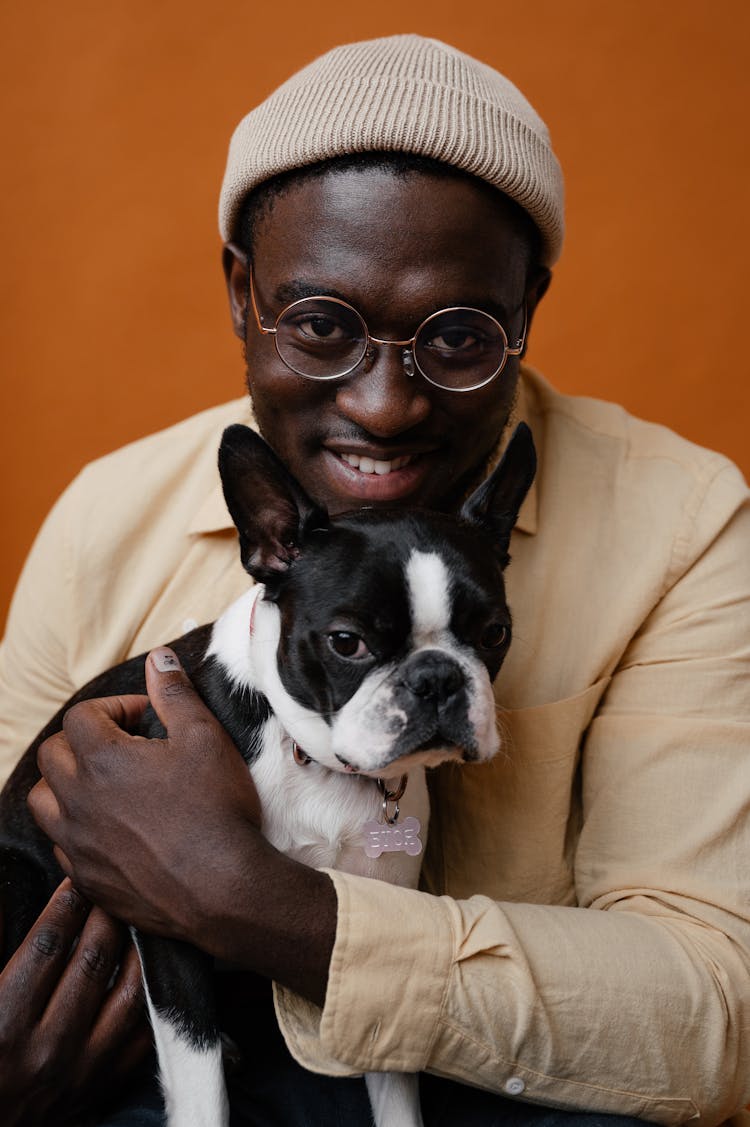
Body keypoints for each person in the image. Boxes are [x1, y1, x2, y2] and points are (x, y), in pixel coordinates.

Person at [0, 33, 748, 1127]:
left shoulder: (682, 527)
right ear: (241, 293)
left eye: (455, 337)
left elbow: (718, 1013)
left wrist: (256, 903)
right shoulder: (108, 518)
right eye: (318, 325)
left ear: (527, 309)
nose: (385, 403)